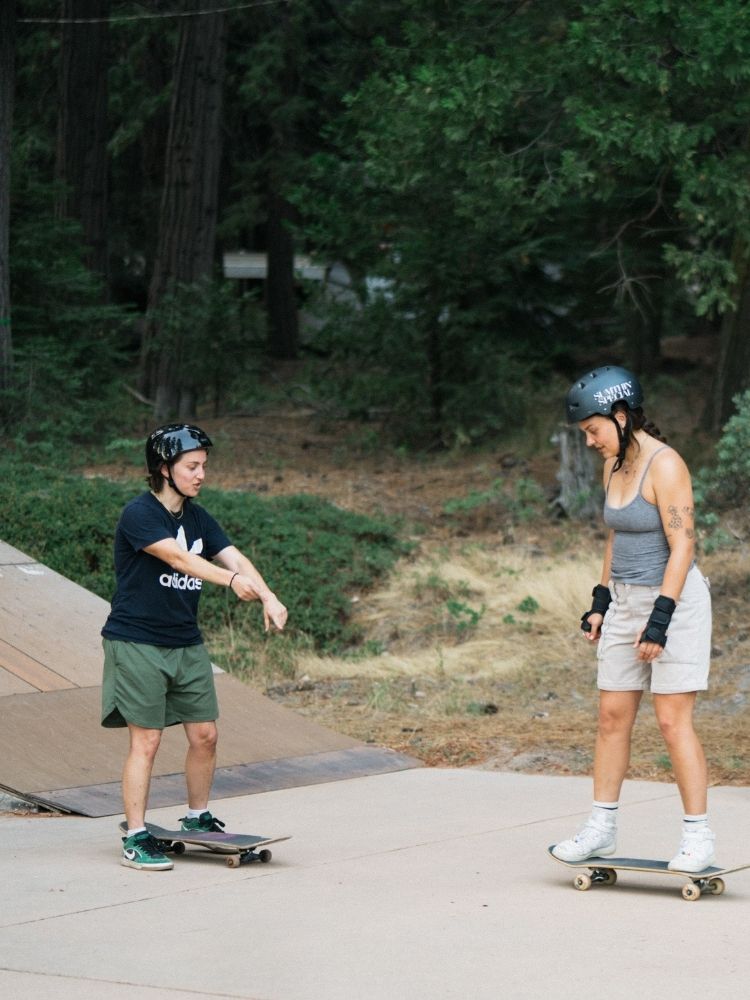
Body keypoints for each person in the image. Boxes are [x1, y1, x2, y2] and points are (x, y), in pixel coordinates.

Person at [101, 424, 288, 870]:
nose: (201, 474)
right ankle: (137, 836)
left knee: (205, 735)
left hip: (185, 644)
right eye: (192, 466)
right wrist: (233, 582)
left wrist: (268, 595)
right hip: (137, 640)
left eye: (204, 465)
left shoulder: (200, 518)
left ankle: (195, 816)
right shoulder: (139, 514)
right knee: (146, 740)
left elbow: (235, 557)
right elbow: (179, 558)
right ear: (164, 469)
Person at [552, 365, 715, 873]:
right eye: (584, 434)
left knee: (671, 720)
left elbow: (683, 542)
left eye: (593, 430)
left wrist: (660, 619)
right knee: (611, 718)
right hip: (626, 602)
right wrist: (601, 601)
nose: (589, 442)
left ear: (620, 417)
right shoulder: (614, 467)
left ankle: (697, 837)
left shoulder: (665, 465)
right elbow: (617, 536)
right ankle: (601, 828)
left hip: (675, 601)